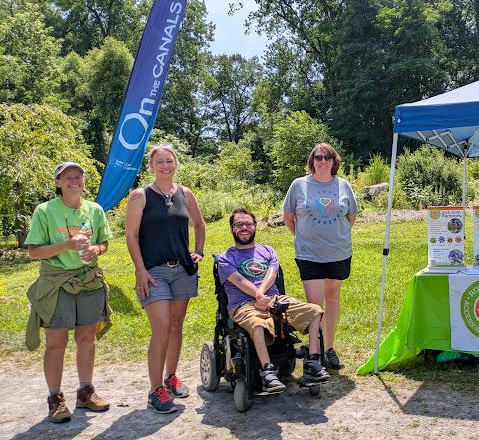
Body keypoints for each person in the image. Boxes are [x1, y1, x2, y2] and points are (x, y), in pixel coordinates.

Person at [24, 162, 113, 422]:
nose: (75, 180)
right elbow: (34, 252)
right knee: (56, 343)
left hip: (89, 281)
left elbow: (105, 242)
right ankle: (55, 398)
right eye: (68, 177)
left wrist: (96, 250)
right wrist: (68, 245)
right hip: (56, 283)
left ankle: (85, 393)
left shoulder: (95, 210)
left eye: (79, 176)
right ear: (58, 183)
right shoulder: (45, 211)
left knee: (86, 339)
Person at [125, 145, 206, 413]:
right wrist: (140, 270)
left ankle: (171, 377)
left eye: (170, 161)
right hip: (153, 271)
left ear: (177, 163)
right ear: (151, 166)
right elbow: (131, 236)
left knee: (175, 325)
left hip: (182, 269)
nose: (165, 166)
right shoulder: (140, 196)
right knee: (160, 328)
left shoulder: (185, 194)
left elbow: (199, 225)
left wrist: (199, 251)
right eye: (159, 162)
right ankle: (155, 390)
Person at [218, 208, 330, 392]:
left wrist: (262, 294)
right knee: (257, 324)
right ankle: (267, 371)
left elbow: (272, 272)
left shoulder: (267, 250)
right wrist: (258, 296)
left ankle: (313, 361)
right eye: (239, 224)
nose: (244, 227)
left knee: (314, 311)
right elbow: (239, 280)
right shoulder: (226, 258)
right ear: (232, 229)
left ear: (255, 226)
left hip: (273, 299)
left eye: (248, 223)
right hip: (243, 305)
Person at [283, 143, 358, 370]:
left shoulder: (343, 185)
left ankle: (329, 348)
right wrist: (303, 237)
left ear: (334, 161)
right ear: (312, 160)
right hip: (309, 254)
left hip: (338, 252)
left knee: (333, 298)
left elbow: (351, 216)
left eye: (327, 157)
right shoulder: (299, 185)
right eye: (318, 157)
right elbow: (288, 217)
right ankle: (314, 351)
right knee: (315, 303)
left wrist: (335, 234)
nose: (322, 161)